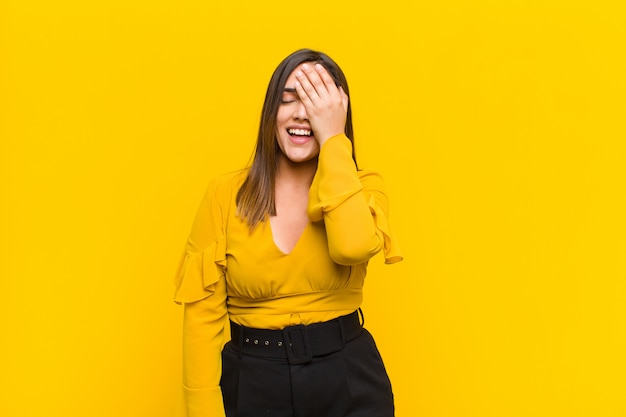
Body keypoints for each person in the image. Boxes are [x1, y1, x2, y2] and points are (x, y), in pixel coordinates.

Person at [174, 48, 403, 417]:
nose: (301, 113)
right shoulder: (224, 195)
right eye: (288, 100)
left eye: (316, 102)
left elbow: (352, 247)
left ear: (337, 114)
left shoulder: (364, 188)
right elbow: (200, 321)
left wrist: (333, 141)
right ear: (271, 114)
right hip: (252, 382)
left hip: (349, 377)